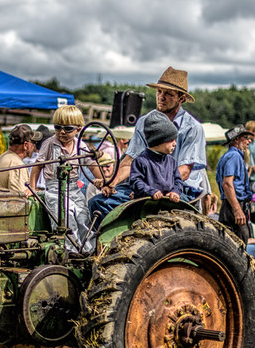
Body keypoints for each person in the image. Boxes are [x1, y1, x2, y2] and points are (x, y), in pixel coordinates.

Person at [91, 67, 207, 219]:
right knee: (98, 203)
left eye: (168, 94)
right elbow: (129, 161)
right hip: (147, 185)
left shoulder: (192, 128)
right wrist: (112, 182)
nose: (161, 97)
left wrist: (149, 188)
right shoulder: (144, 122)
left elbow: (184, 172)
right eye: (159, 91)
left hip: (180, 188)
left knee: (151, 211)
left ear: (181, 98)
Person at [29, 105, 102, 253]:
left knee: (83, 217)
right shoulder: (50, 144)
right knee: (67, 219)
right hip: (55, 190)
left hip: (74, 189)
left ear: (78, 129)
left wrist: (103, 181)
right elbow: (37, 167)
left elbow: (92, 165)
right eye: (58, 127)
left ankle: (89, 252)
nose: (62, 132)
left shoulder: (80, 145)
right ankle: (69, 253)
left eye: (67, 129)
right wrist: (32, 188)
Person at [130, 110, 183, 202]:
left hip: (168, 202)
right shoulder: (141, 161)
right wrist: (151, 191)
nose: (175, 144)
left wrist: (175, 192)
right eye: (171, 140)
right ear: (158, 140)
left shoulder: (172, 161)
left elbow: (178, 181)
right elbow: (136, 181)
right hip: (145, 202)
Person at [215, 125, 255, 243]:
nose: (249, 141)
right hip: (233, 206)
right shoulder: (234, 156)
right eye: (245, 138)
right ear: (237, 140)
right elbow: (227, 184)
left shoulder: (227, 156)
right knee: (239, 244)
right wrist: (237, 210)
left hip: (230, 205)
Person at [0, 125, 37, 194]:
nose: (34, 146)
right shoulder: (17, 164)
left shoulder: (2, 157)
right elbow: (20, 196)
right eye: (33, 143)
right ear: (25, 145)